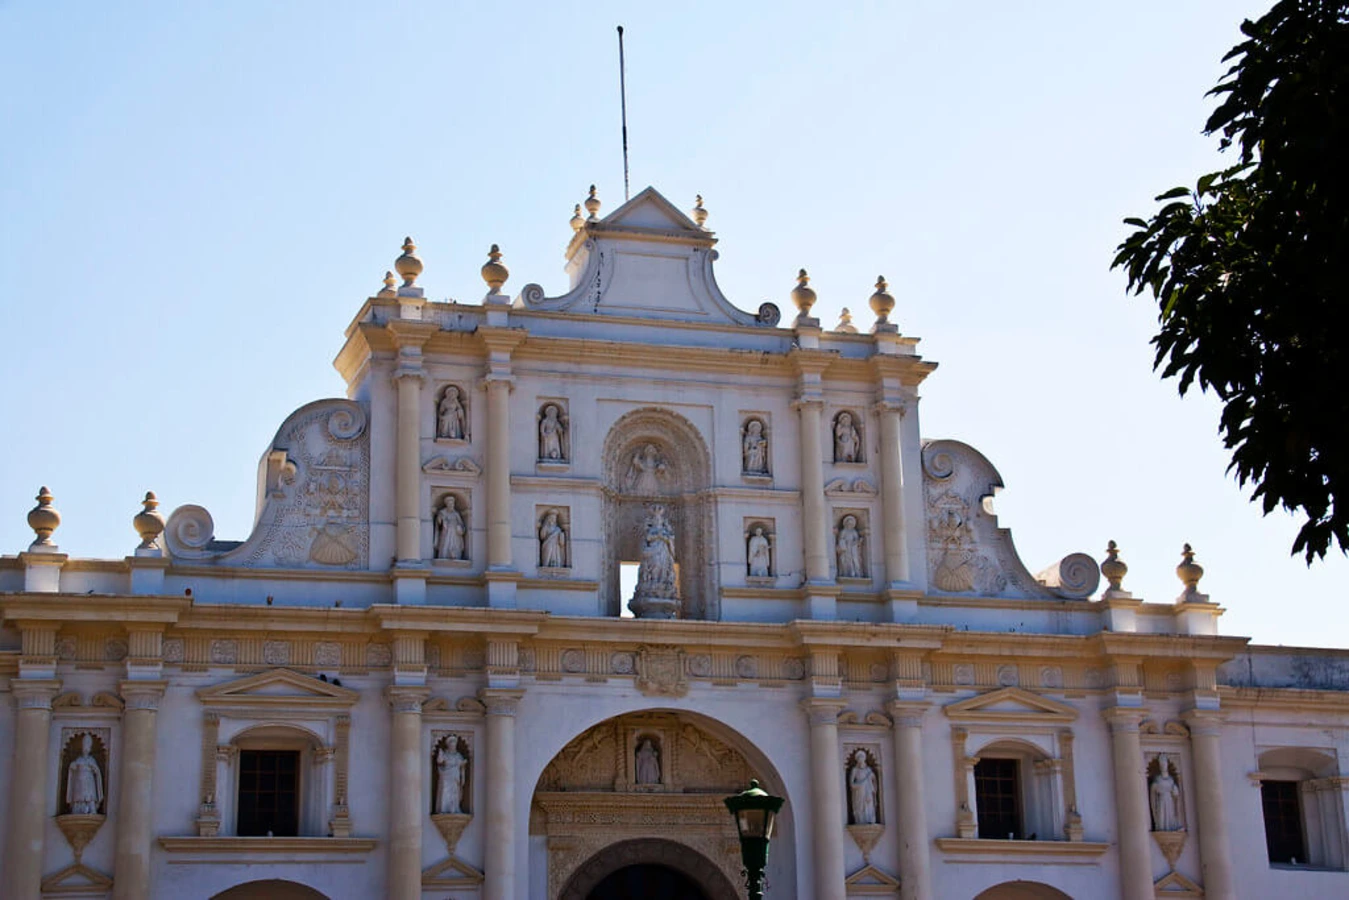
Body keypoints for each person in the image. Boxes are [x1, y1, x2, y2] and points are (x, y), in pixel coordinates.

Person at [66, 734, 104, 815]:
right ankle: (77, 808)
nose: (86, 748)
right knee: (78, 797)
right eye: (84, 745)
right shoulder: (78, 759)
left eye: (88, 746)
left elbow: (97, 771)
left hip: (89, 782)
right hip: (79, 783)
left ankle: (91, 808)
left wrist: (94, 768)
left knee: (90, 797)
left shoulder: (92, 760)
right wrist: (72, 766)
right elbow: (73, 769)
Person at [1149, 754, 1182, 831]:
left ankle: (1173, 826)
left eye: (1165, 763)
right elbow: (1153, 792)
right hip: (1161, 800)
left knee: (1171, 815)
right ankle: (1161, 826)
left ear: (1167, 764)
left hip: (1169, 800)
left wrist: (1175, 791)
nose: (1163, 765)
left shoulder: (1171, 779)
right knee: (1162, 816)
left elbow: (1175, 794)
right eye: (1162, 764)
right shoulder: (1157, 779)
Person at [435, 740, 468, 815]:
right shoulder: (445, 754)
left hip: (455, 776)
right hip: (446, 776)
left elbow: (461, 764)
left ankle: (455, 808)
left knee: (455, 792)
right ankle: (444, 808)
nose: (453, 746)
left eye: (454, 745)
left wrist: (462, 764)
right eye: (452, 744)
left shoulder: (458, 755)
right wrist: (440, 754)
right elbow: (439, 761)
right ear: (448, 745)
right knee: (445, 791)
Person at [849, 749, 877, 825]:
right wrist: (859, 785)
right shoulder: (855, 770)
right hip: (859, 792)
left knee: (869, 804)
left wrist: (874, 788)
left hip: (868, 791)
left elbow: (874, 780)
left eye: (862, 757)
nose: (860, 759)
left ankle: (870, 819)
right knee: (860, 807)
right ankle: (860, 820)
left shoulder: (868, 770)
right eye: (859, 758)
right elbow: (851, 784)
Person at [435, 496, 466, 560]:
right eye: (450, 504)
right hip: (446, 532)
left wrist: (460, 528)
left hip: (455, 533)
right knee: (445, 545)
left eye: (452, 504)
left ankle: (455, 555)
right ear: (447, 504)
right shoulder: (442, 512)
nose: (452, 505)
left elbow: (461, 524)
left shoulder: (456, 514)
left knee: (455, 545)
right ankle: (444, 555)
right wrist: (440, 520)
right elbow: (439, 524)